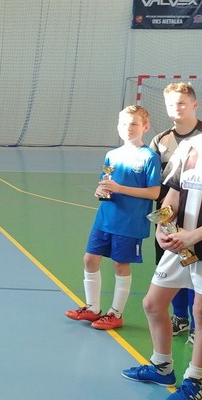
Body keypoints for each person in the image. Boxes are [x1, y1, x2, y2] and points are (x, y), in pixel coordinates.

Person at [122, 93, 202, 400]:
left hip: (196, 243)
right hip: (180, 244)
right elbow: (172, 195)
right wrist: (161, 225)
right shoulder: (190, 148)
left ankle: (195, 381)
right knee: (153, 304)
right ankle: (162, 366)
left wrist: (194, 236)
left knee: (200, 312)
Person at [65, 105, 161, 329]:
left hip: (129, 221)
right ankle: (92, 308)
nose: (128, 128)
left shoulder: (149, 157)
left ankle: (115, 313)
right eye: (124, 124)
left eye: (134, 124)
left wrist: (119, 188)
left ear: (145, 127)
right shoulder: (112, 155)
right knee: (90, 259)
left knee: (120, 264)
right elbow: (105, 182)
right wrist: (101, 190)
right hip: (105, 218)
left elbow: (154, 193)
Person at [149, 82, 202, 343]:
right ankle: (180, 318)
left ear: (195, 105)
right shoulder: (163, 140)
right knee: (168, 279)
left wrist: (194, 234)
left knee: (196, 287)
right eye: (172, 104)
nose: (177, 108)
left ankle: (195, 325)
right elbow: (168, 189)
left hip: (196, 231)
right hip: (173, 223)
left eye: (182, 103)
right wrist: (161, 225)